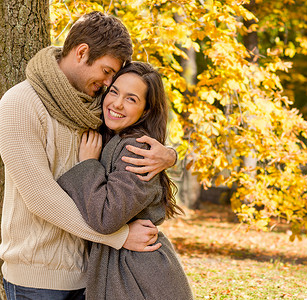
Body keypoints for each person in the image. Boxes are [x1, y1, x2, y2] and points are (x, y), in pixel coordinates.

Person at [0, 11, 177, 299]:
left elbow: (138, 127)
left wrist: (170, 155)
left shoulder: (96, 105)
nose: (109, 84)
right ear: (82, 53)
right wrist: (119, 237)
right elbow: (40, 197)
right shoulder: (20, 104)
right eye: (107, 71)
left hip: (92, 276)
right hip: (38, 280)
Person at [57, 61, 193, 300]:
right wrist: (171, 155)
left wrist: (88, 165)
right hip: (126, 269)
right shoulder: (114, 137)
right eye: (114, 92)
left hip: (138, 276)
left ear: (146, 110)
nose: (117, 103)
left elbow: (106, 217)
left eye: (131, 99)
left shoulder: (137, 148)